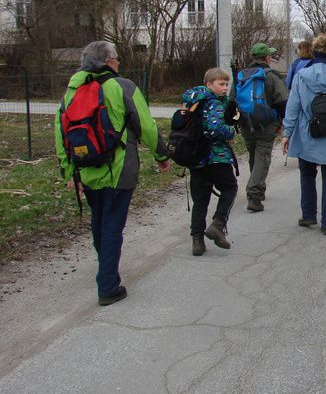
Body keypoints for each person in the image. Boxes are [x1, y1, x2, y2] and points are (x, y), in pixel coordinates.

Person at [55, 40, 170, 306]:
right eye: (116, 58)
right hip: (119, 169)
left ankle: (106, 268)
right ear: (108, 62)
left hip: (86, 168)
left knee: (99, 220)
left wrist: (68, 170)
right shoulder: (122, 86)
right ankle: (108, 285)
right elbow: (146, 126)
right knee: (112, 225)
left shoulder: (71, 90)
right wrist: (162, 155)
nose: (119, 62)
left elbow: (61, 132)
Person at [281, 33, 326, 235]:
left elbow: (293, 107)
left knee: (307, 174)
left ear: (314, 52)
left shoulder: (301, 76)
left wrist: (287, 133)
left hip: (307, 134)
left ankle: (309, 214)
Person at [182, 68, 238, 256]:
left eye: (226, 84)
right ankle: (218, 224)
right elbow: (215, 129)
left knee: (201, 199)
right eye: (221, 84)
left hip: (196, 157)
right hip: (216, 157)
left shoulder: (193, 102)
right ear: (209, 84)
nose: (224, 88)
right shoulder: (214, 103)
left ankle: (197, 241)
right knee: (230, 188)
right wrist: (232, 131)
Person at [235, 43, 289, 212]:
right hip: (267, 124)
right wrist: (281, 122)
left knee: (254, 154)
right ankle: (254, 194)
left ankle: (258, 189)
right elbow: (282, 101)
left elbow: (231, 100)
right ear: (267, 58)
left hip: (246, 122)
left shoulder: (242, 75)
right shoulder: (272, 76)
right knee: (262, 157)